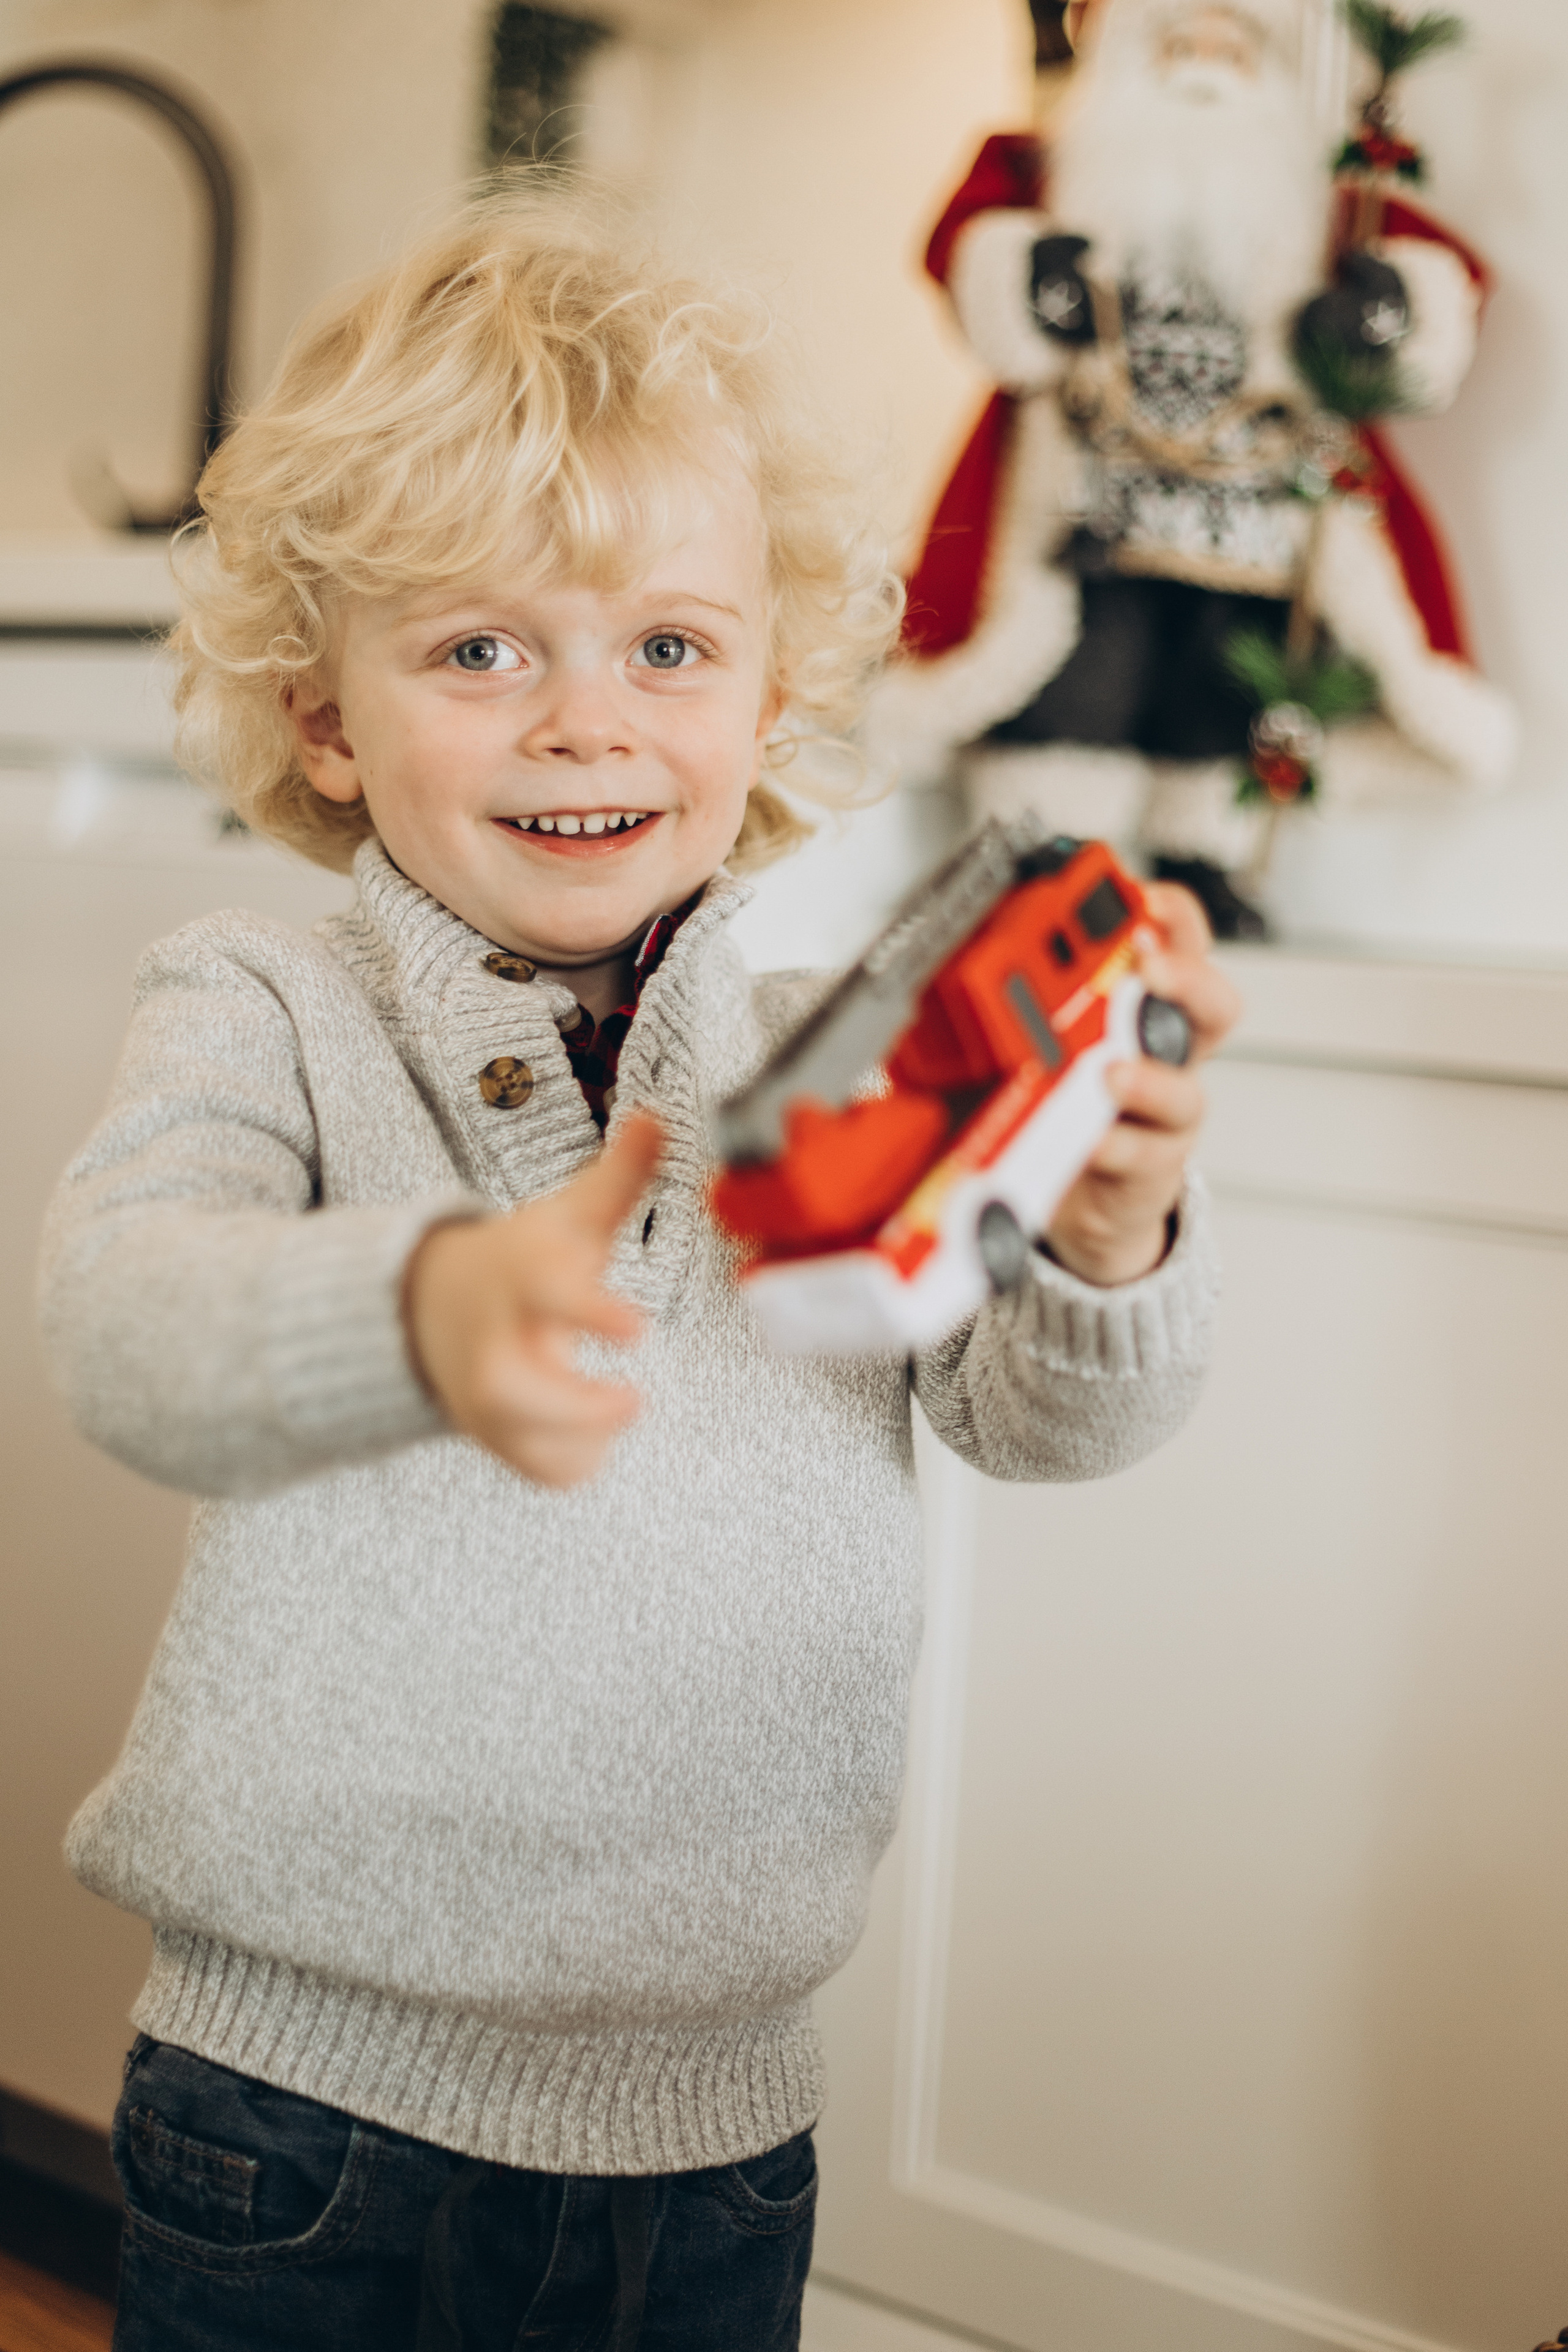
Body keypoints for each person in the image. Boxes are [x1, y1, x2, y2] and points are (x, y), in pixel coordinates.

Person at [38, 194, 1235, 2352]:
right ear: (323, 719)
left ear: (770, 689)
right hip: (297, 2119)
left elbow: (1042, 1421)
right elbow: (127, 1326)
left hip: (715, 2143)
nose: (587, 723)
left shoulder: (837, 1052)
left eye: (667, 647)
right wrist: (422, 1309)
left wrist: (1108, 1227)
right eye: (483, 647)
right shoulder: (261, 1002)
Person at [875, 0, 1514, 938]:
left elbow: (1437, 290)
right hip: (1096, 512)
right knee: (1081, 674)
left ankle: (1198, 863)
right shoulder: (1054, 178)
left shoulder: (1321, 206)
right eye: (1182, 43)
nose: (1206, 67)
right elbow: (968, 247)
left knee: (1220, 690)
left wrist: (1386, 315)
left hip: (1255, 525)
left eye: (1232, 47)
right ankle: (1048, 859)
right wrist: (1028, 280)